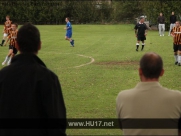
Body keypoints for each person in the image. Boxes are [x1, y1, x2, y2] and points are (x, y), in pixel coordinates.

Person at [0, 23, 67, 135]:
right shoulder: (49, 78)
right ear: (39, 45)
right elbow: (58, 124)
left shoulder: (2, 76)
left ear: (17, 45)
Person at [116, 52, 181, 135]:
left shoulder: (123, 97)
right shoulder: (178, 98)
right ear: (162, 72)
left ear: (140, 71)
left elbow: (123, 126)